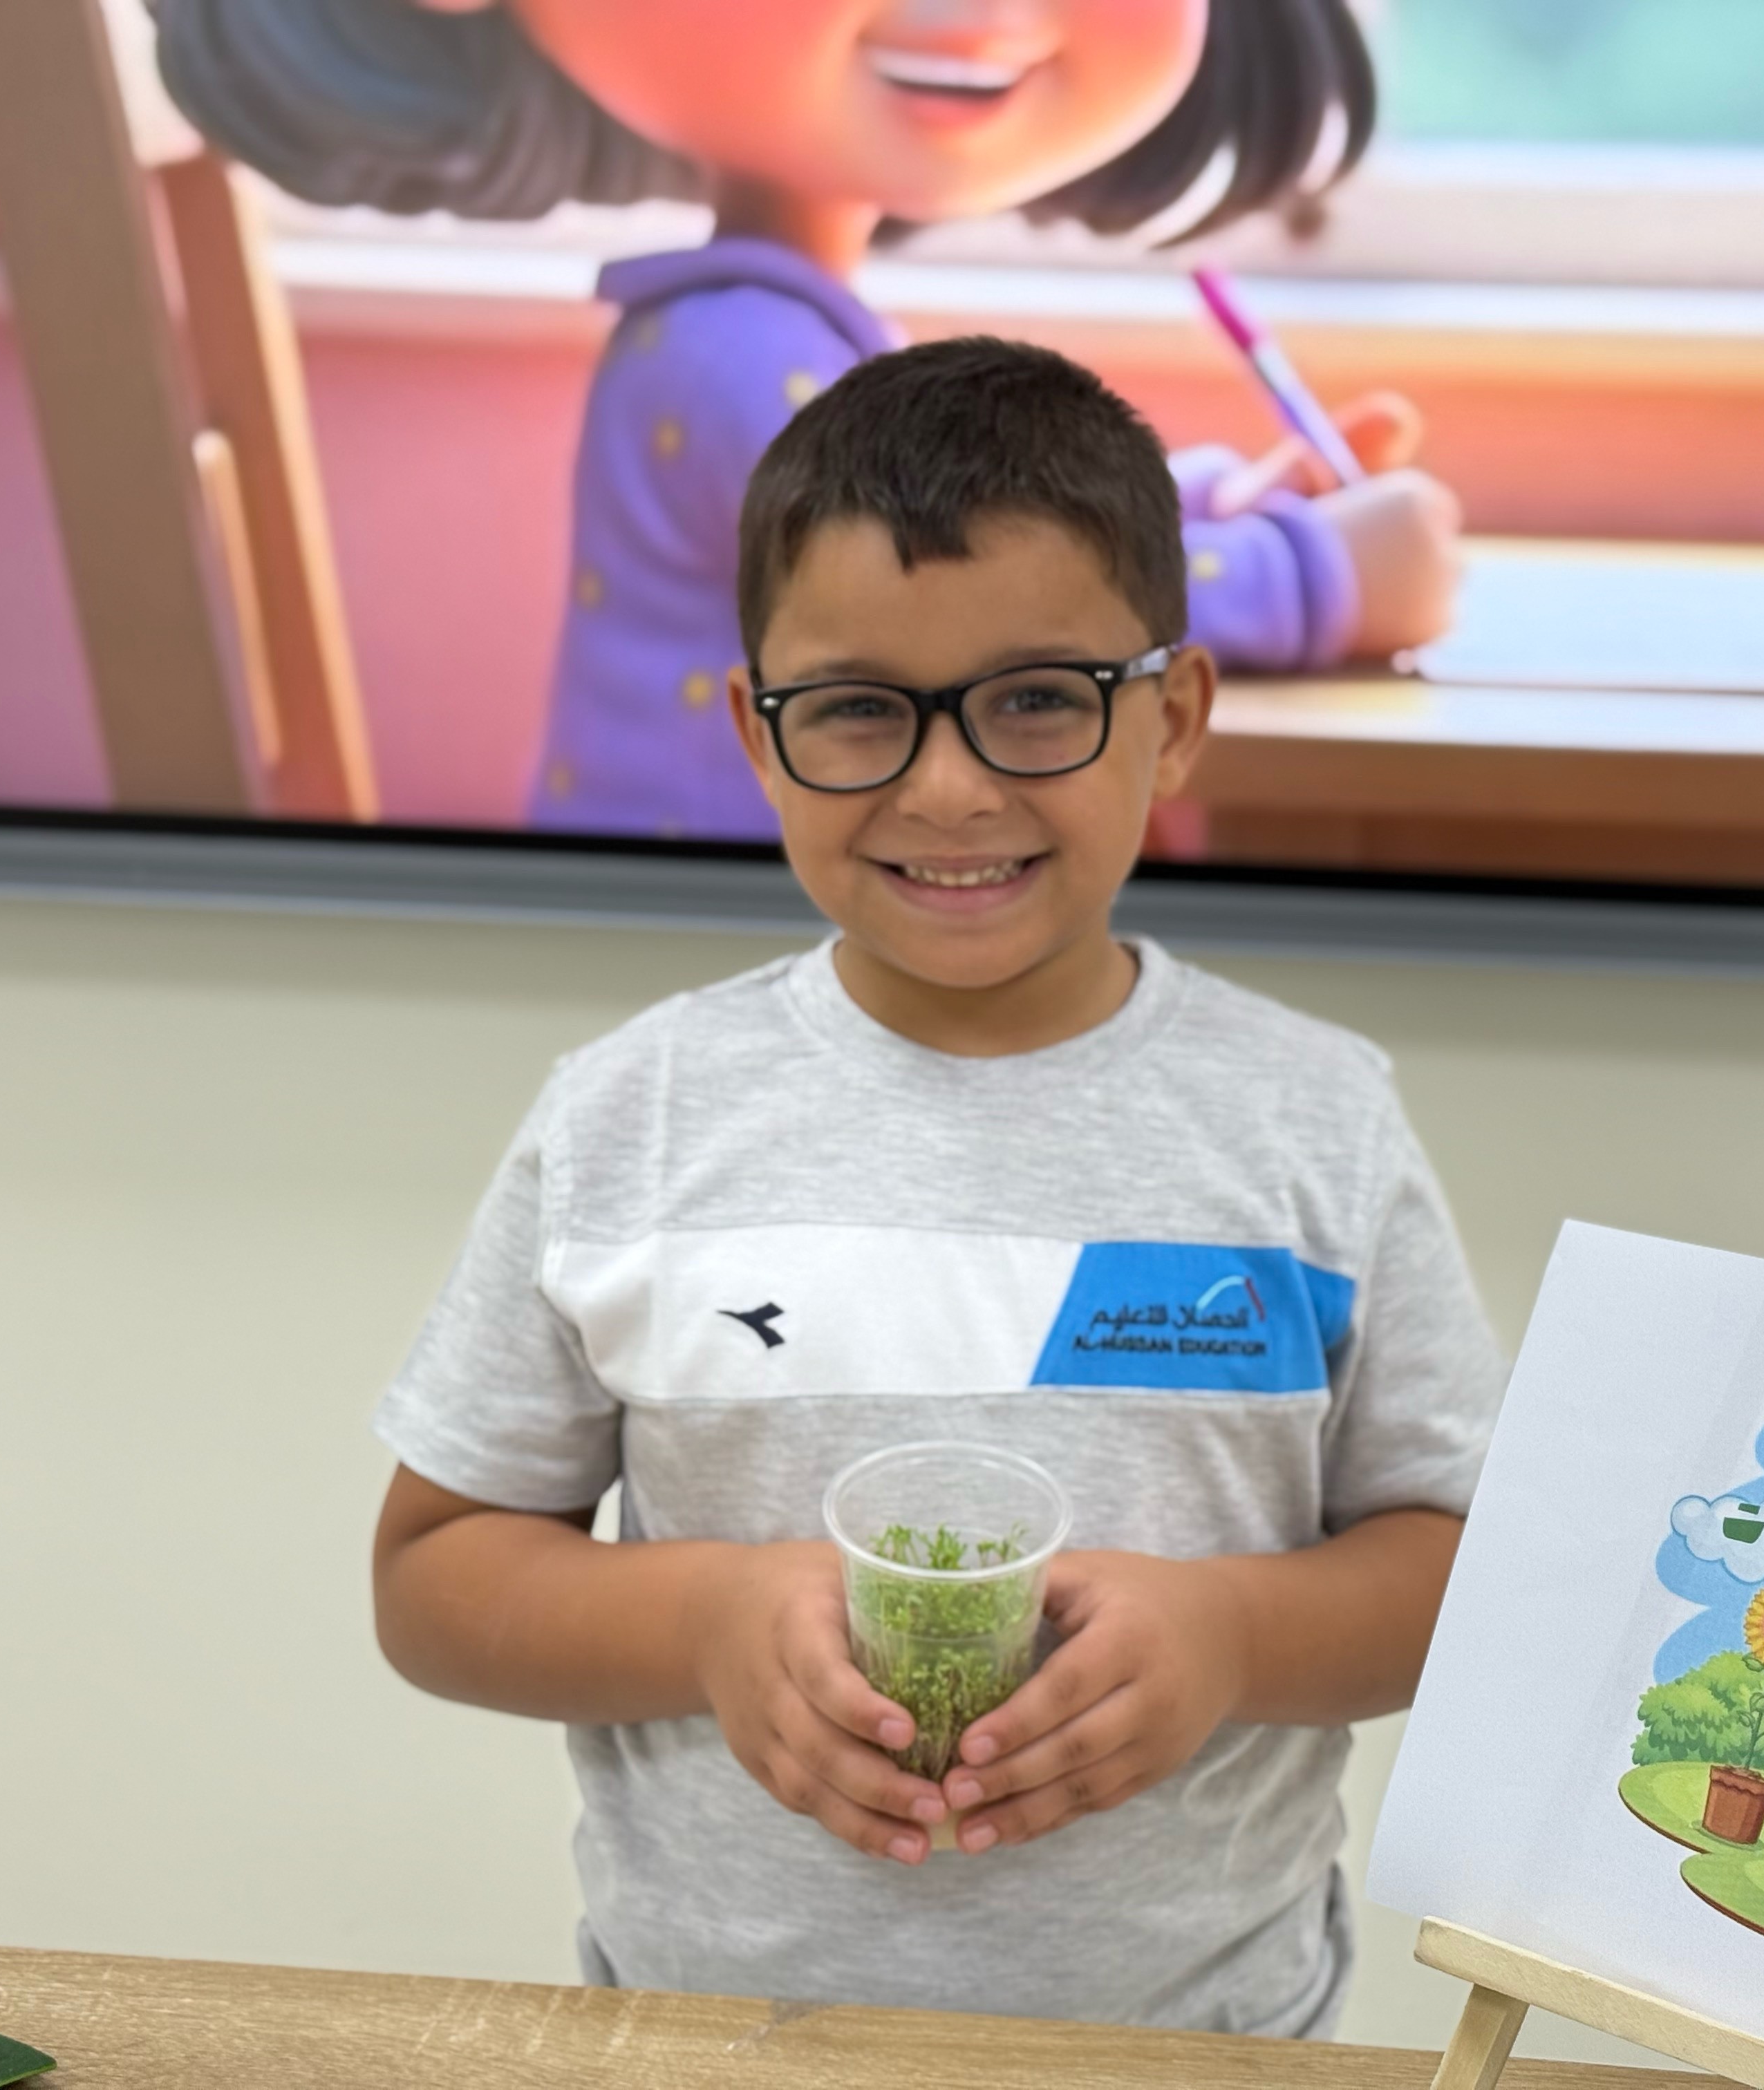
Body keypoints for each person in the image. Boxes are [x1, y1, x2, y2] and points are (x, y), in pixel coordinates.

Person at [368, 336, 1506, 2035]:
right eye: (857, 711)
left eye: (1038, 698)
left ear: (1174, 718)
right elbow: (434, 1579)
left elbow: (1462, 1567)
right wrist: (704, 1619)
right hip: (709, 2049)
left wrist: (1232, 1637)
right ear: (757, 736)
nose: (950, 786)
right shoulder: (631, 1115)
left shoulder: (1314, 1119)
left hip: (1206, 2056)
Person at [154, 0, 1466, 840]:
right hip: (718, 1007)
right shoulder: (729, 358)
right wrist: (1315, 577)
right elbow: (981, 594)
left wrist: (1198, 509)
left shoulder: (776, 335)